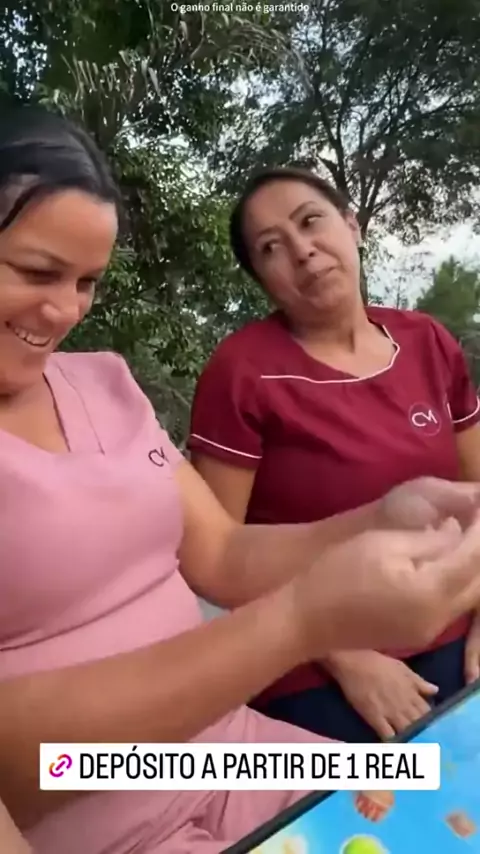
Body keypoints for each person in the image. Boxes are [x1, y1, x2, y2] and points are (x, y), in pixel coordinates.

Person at [1, 107, 480, 854]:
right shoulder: (248, 368)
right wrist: (302, 622)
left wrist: (384, 517)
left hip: (232, 752)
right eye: (37, 273)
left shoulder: (104, 383)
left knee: (452, 809)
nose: (65, 311)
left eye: (87, 281)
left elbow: (222, 554)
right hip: (105, 823)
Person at [188, 166, 480, 743]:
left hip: (452, 617)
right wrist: (346, 657)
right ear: (262, 278)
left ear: (352, 225)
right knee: (395, 792)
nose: (302, 250)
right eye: (271, 247)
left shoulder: (427, 342)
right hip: (316, 660)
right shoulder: (242, 372)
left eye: (311, 221)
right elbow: (218, 556)